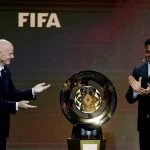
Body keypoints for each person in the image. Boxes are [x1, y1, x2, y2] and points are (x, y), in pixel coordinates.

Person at [0, 39, 50, 150]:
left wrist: (32, 91)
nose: (12, 56)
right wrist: (17, 106)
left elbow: (12, 94)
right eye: (10, 53)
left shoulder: (5, 71)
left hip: (2, 131)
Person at [125, 39, 150, 150]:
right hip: (144, 124)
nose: (149, 55)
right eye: (147, 52)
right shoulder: (138, 70)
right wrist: (136, 92)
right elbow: (129, 98)